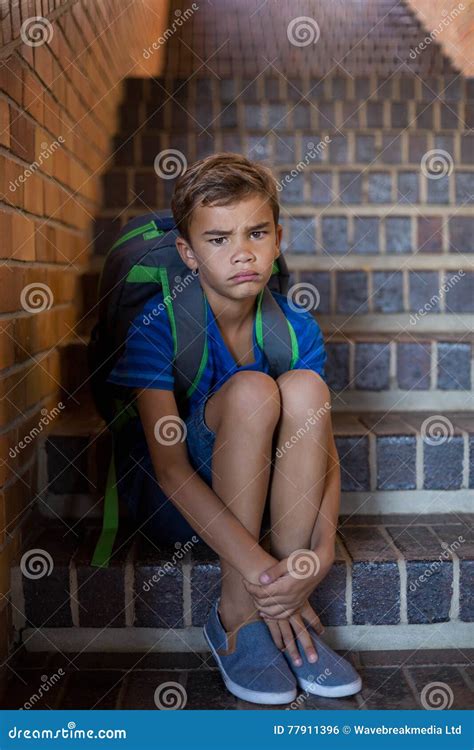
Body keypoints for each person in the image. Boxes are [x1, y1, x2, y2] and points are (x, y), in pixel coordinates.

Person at [107, 152, 362, 705]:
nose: (241, 252)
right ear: (188, 253)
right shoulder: (160, 327)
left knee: (305, 390)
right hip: (181, 506)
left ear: (277, 239)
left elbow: (325, 450)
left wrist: (314, 558)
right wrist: (271, 582)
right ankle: (239, 617)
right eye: (218, 239)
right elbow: (169, 467)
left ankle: (279, 616)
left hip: (271, 507)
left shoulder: (296, 328)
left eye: (256, 233)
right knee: (250, 391)